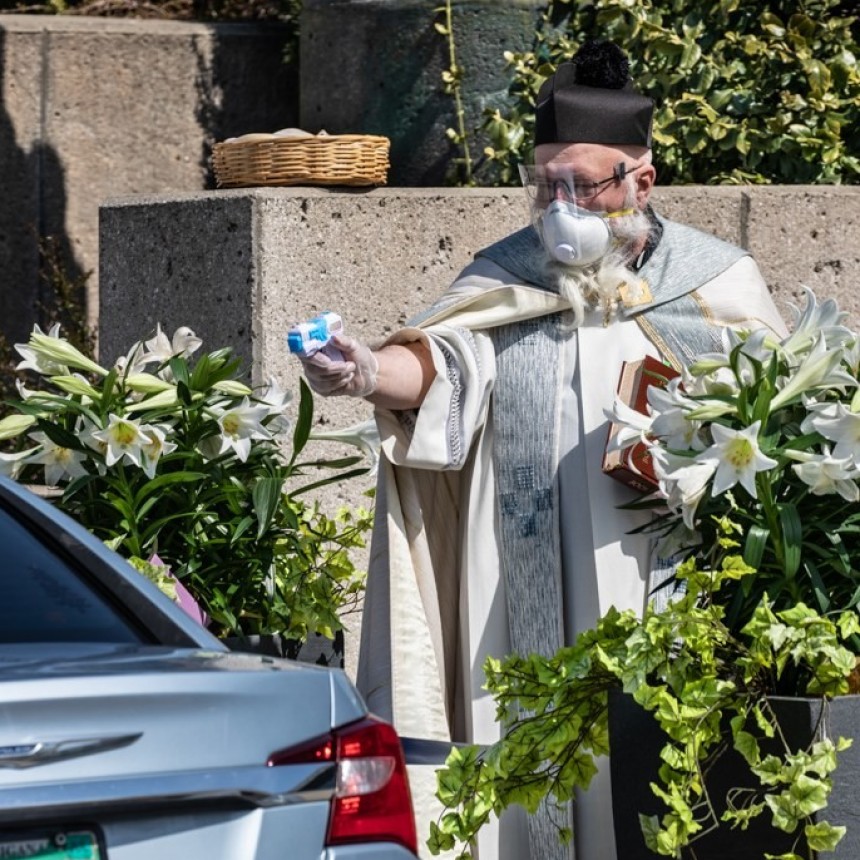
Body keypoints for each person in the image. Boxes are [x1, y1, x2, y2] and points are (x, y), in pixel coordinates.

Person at [293, 39, 788, 860]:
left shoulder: (715, 281)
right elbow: (446, 361)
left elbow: (775, 416)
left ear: (642, 180)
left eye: (582, 184)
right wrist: (366, 371)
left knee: (663, 783)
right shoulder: (509, 274)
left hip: (663, 588)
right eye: (546, 184)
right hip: (516, 589)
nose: (561, 203)